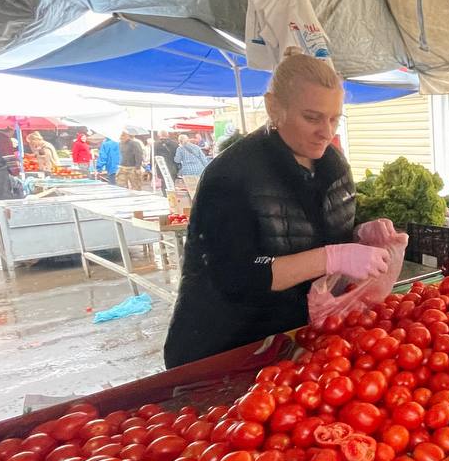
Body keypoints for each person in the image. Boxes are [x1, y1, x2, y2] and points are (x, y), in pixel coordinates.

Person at [164, 51, 398, 368]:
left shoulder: (335, 166)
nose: (326, 132)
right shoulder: (230, 176)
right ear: (274, 106)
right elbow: (237, 276)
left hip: (292, 339)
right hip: (224, 345)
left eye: (334, 118)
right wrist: (334, 256)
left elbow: (319, 238)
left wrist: (361, 236)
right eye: (312, 118)